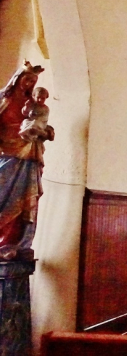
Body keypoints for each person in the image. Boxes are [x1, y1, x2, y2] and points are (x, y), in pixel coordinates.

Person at [0, 62, 53, 260]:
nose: (29, 83)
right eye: (27, 79)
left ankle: (15, 243)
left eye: (33, 81)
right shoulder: (3, 99)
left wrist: (46, 131)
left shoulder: (34, 105)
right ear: (17, 79)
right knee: (3, 197)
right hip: (6, 154)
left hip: (29, 155)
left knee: (24, 199)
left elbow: (42, 125)